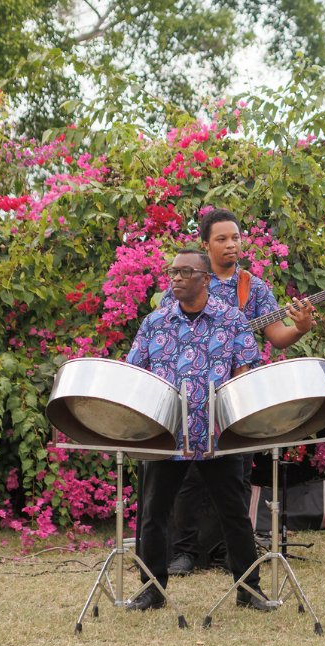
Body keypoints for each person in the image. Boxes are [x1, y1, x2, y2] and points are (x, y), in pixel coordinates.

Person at [165, 209, 316, 576]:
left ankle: (225, 552)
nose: (231, 244)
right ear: (205, 244)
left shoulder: (254, 287)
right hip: (194, 393)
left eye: (235, 237)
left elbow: (277, 337)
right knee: (190, 475)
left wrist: (301, 327)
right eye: (222, 239)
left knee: (236, 476)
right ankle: (183, 552)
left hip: (237, 393)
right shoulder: (190, 281)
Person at [124, 247, 270, 612]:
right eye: (172, 272)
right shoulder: (155, 322)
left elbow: (246, 370)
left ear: (205, 279)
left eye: (185, 272)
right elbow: (135, 372)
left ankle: (248, 589)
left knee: (234, 512)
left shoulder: (231, 319)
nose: (175, 278)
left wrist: (236, 416)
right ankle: (152, 589)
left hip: (215, 433)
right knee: (154, 513)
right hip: (167, 434)